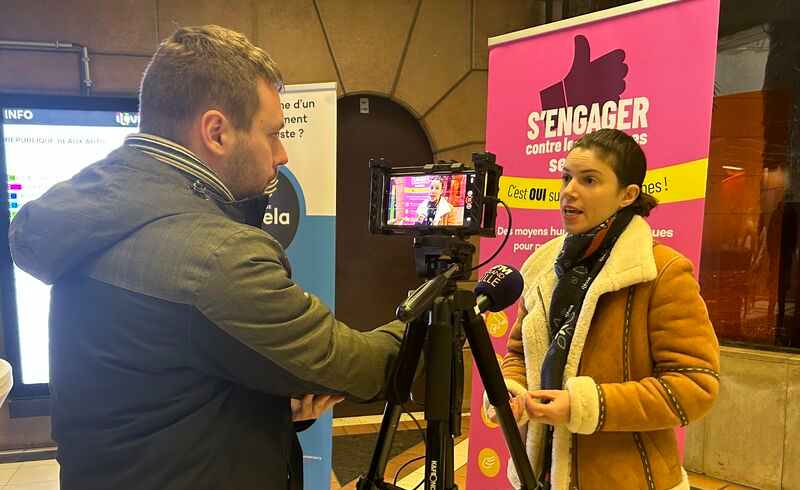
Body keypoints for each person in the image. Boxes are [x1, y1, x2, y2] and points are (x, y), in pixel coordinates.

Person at [8, 25, 407, 490]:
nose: (283, 153)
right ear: (216, 131)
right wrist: (430, 319)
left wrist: (278, 409)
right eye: (273, 134)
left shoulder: (90, 213)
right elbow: (356, 365)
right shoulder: (217, 257)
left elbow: (162, 395)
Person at [486, 129, 720, 490]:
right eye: (566, 177)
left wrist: (584, 405)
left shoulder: (663, 271)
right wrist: (511, 389)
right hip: (539, 472)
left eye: (589, 180)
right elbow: (518, 352)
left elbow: (694, 385)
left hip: (626, 479)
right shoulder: (545, 265)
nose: (569, 191)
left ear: (627, 195)